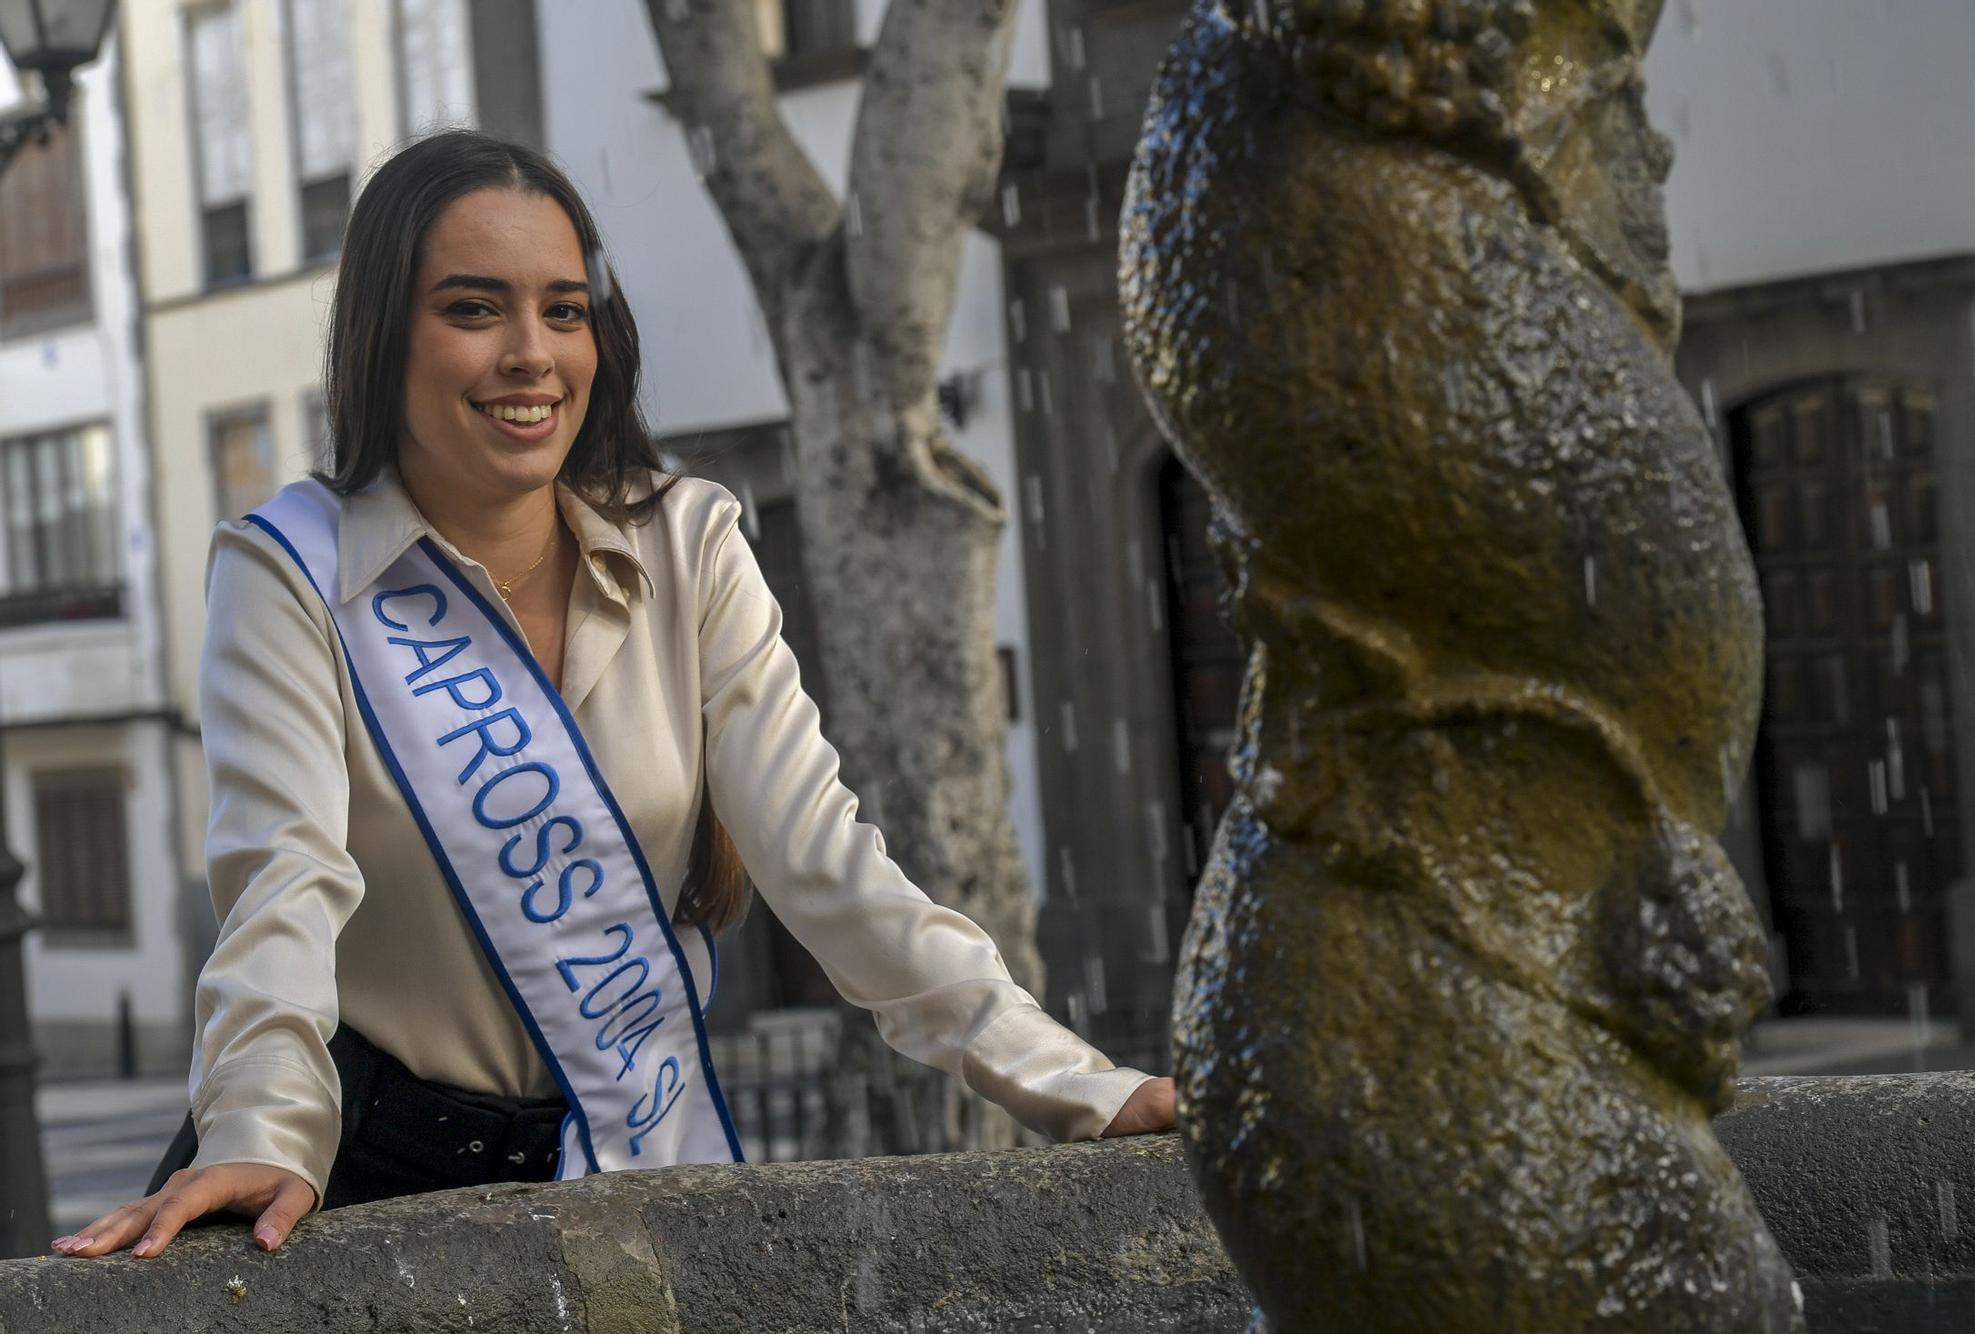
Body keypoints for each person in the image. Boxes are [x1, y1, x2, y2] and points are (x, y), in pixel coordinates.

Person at [51, 131, 1174, 1262]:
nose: (532, 354)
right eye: (475, 309)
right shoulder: (290, 571)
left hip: (633, 1168)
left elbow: (826, 865)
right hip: (361, 1185)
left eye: (565, 309)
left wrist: (1076, 1083)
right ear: (385, 335)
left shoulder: (689, 545)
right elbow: (279, 889)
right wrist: (259, 1124)